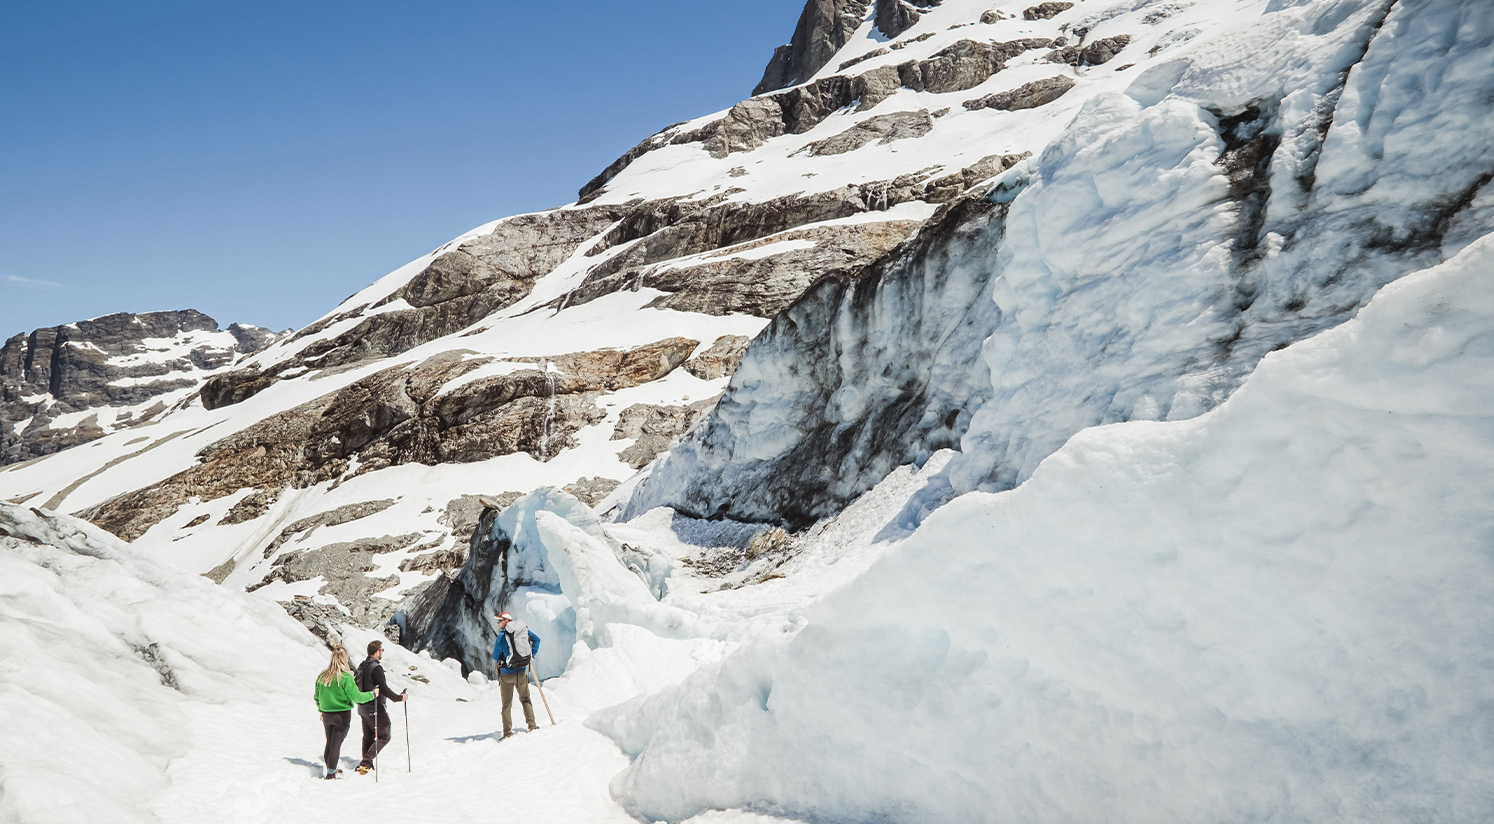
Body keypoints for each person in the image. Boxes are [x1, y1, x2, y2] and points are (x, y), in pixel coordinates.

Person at [314, 647, 377, 780]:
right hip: (342, 715)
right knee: (336, 743)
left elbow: (317, 696)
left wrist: (321, 709)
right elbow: (357, 697)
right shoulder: (345, 677)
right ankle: (331, 774)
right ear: (344, 659)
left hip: (326, 714)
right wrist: (372, 694)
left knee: (330, 742)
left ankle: (331, 768)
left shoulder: (322, 676)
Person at [354, 639, 409, 775]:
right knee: (385, 735)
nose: (382, 652)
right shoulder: (376, 668)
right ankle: (366, 762)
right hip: (375, 708)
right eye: (382, 650)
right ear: (377, 651)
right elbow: (383, 688)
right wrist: (399, 698)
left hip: (362, 707)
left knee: (368, 736)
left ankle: (367, 764)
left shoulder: (363, 665)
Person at [492, 611, 541, 738]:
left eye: (500, 620)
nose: (498, 623)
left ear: (507, 621)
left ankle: (507, 732)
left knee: (506, 705)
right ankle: (532, 726)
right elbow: (537, 640)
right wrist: (531, 656)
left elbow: (495, 655)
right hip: (521, 673)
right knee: (525, 699)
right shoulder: (522, 631)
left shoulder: (501, 637)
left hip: (506, 675)